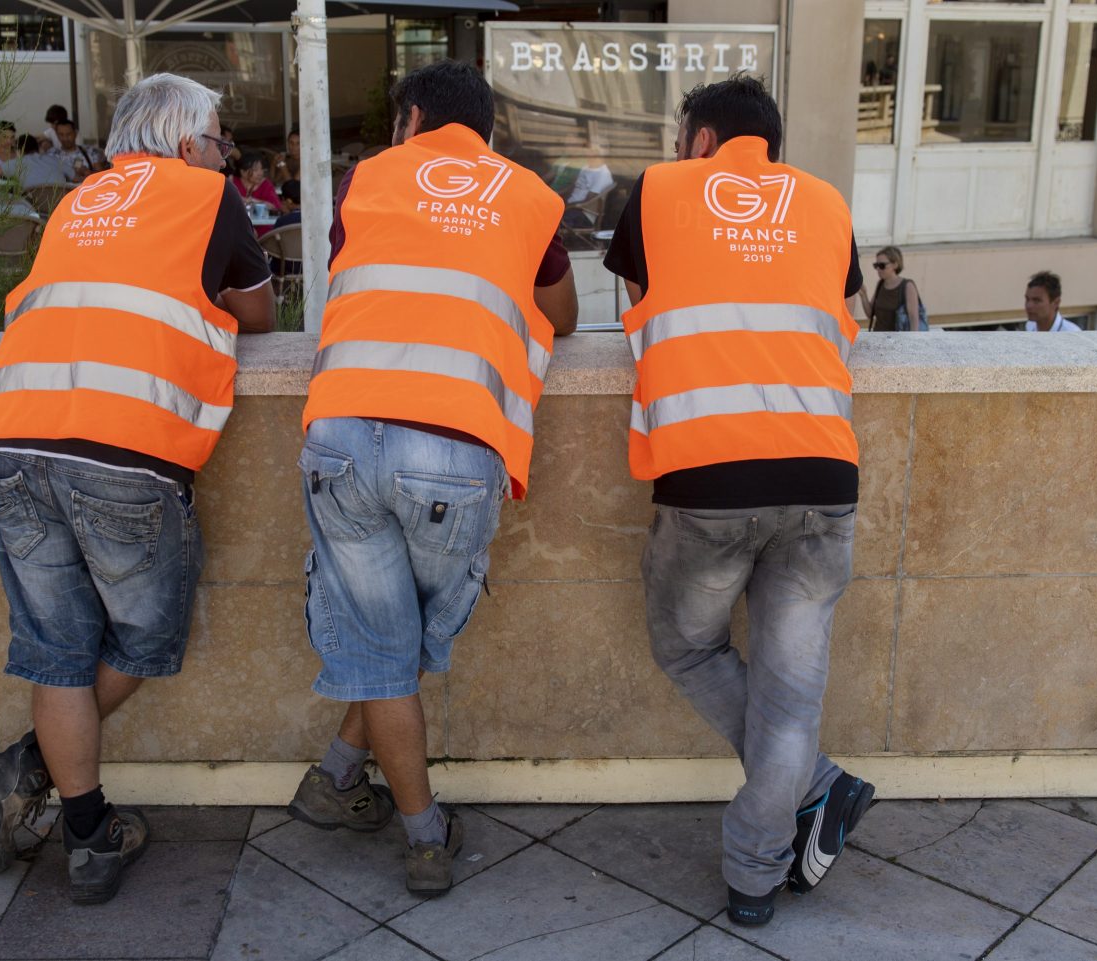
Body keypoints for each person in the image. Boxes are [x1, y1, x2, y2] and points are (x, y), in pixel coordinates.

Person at [0, 72, 275, 905]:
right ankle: (28, 768)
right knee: (140, 640)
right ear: (185, 146)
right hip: (125, 448)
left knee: (56, 648)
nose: (224, 156)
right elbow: (260, 313)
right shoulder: (207, 198)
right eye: (218, 142)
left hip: (14, 438)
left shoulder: (80, 200)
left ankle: (87, 831)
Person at [286, 58, 578, 897]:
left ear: (411, 118)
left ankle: (337, 773)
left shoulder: (367, 179)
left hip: (341, 429)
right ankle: (425, 835)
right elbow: (562, 316)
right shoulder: (525, 194)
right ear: (484, 128)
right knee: (394, 647)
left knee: (385, 643)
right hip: (453, 448)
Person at [603, 74, 875, 928]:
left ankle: (822, 784)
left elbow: (634, 308)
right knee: (791, 700)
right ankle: (755, 878)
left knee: (687, 647)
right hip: (824, 476)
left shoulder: (655, 190)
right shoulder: (827, 204)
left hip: (710, 477)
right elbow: (841, 316)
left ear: (700, 139)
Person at [857, 246, 921, 331]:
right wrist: (863, 295)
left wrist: (912, 342)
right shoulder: (880, 284)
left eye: (882, 265)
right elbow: (870, 314)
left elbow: (914, 319)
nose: (878, 269)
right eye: (876, 265)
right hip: (879, 338)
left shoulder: (907, 286)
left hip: (898, 341)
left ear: (895, 265)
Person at [0, 133, 74, 189]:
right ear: (38, 147)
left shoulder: (15, 163)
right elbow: (76, 178)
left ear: (18, 151)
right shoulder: (54, 160)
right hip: (60, 204)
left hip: (32, 206)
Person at [232, 151, 279, 237]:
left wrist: (253, 200)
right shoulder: (232, 182)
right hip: (238, 228)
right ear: (243, 171)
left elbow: (274, 206)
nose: (260, 173)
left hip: (263, 230)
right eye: (256, 170)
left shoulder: (266, 184)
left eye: (261, 169)